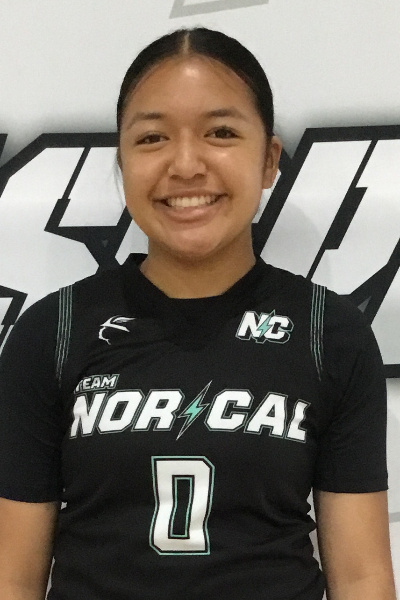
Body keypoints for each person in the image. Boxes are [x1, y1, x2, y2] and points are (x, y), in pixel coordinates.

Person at [0, 27, 396, 600]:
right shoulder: (52, 332)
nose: (186, 165)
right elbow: (12, 578)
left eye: (221, 132)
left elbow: (362, 578)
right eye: (152, 137)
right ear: (122, 162)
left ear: (269, 160)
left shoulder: (329, 334)